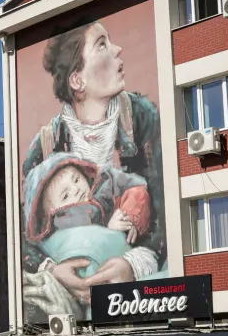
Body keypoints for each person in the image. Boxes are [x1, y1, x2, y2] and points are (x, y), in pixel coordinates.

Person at [21, 19, 166, 318]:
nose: (118, 49)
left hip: (142, 295)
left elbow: (166, 208)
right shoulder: (45, 146)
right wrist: (53, 269)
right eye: (102, 45)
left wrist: (134, 263)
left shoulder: (142, 117)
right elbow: (25, 236)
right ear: (77, 81)